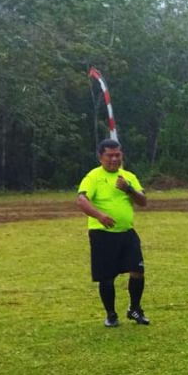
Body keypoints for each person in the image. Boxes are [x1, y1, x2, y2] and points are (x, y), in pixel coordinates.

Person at [76, 138, 150, 327]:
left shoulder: (127, 177)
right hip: (103, 234)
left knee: (137, 271)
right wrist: (100, 216)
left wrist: (129, 189)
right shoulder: (93, 176)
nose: (114, 159)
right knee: (107, 277)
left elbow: (143, 201)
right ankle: (111, 314)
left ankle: (135, 309)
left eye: (118, 154)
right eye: (110, 155)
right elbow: (82, 200)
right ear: (101, 157)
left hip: (127, 232)